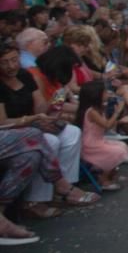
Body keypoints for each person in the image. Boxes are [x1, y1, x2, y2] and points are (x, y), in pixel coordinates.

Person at [0, 41, 91, 217]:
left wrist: (57, 100)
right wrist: (31, 119)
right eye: (4, 62)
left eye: (14, 60)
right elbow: (3, 121)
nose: (11, 66)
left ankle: (63, 189)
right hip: (12, 129)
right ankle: (38, 199)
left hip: (33, 122)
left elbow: (40, 107)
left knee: (72, 133)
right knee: (50, 141)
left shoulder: (25, 76)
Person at [75, 80, 128, 190]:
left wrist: (120, 121)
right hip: (91, 145)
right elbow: (106, 125)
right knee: (116, 152)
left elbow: (103, 126)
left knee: (122, 146)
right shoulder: (92, 111)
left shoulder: (99, 108)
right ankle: (104, 180)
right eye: (105, 92)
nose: (107, 94)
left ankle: (112, 174)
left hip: (99, 140)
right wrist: (117, 112)